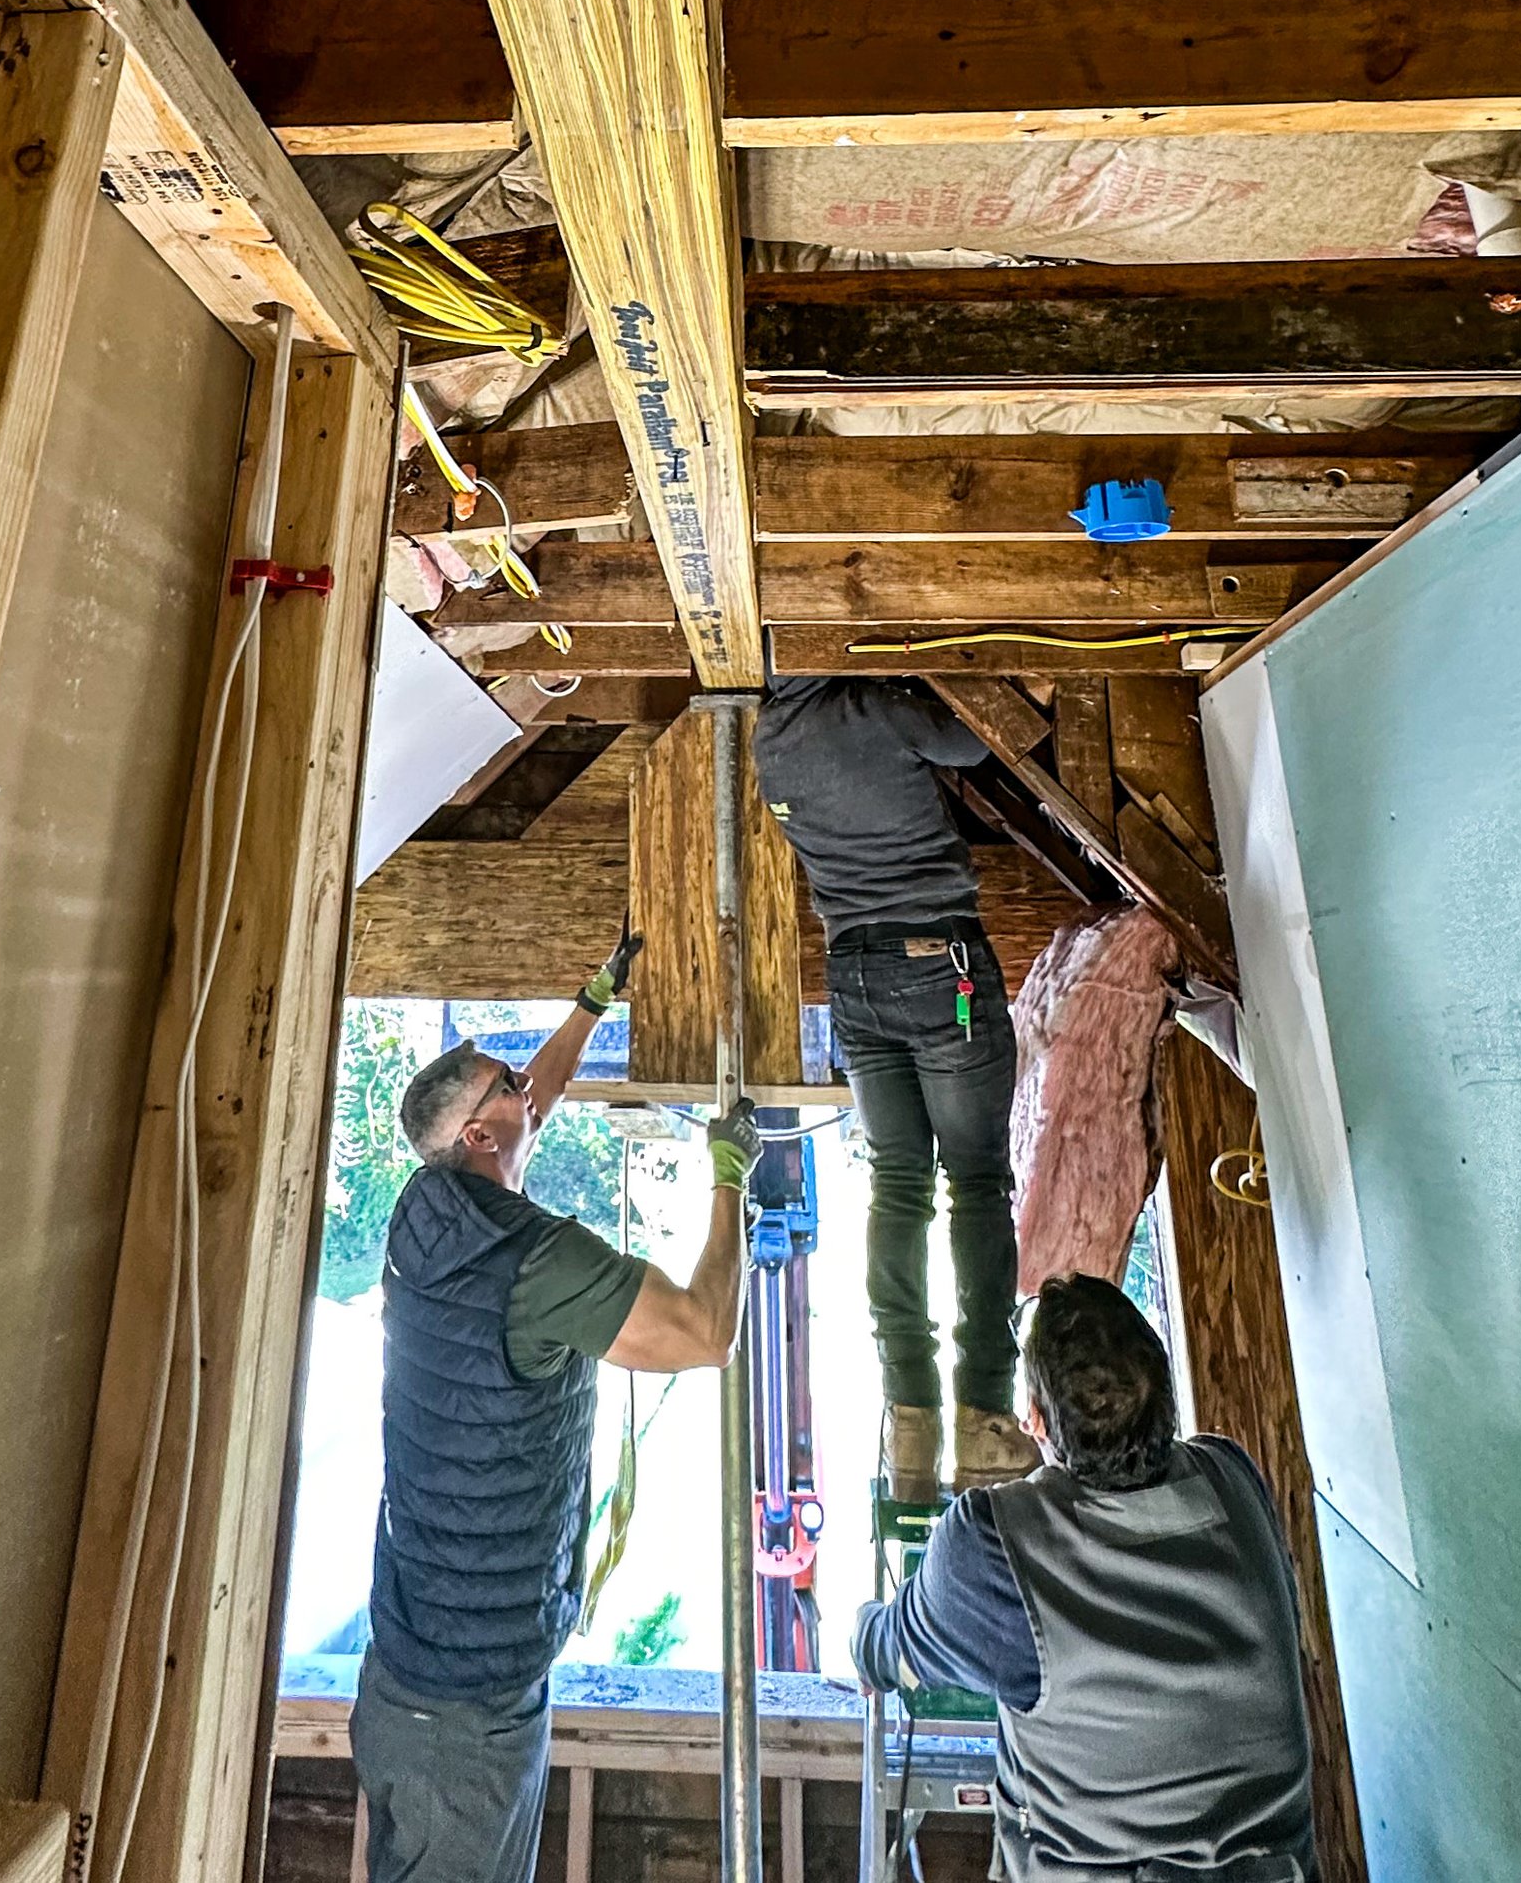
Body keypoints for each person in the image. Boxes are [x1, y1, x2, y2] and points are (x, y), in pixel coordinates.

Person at [354, 925, 761, 1883]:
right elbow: (707, 1333)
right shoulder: (536, 1263)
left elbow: (530, 1100)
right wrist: (730, 1181)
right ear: (482, 1137)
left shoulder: (424, 1210)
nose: (528, 1089)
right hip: (470, 1719)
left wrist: (595, 996)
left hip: (407, 1677)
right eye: (507, 1086)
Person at [854, 1274, 1317, 1883]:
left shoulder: (995, 1546)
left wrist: (865, 1635)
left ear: (1037, 1423)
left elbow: (889, 1649)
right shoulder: (1233, 1479)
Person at [752, 673, 1028, 1496]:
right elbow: (975, 739)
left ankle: (913, 1420)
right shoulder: (871, 705)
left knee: (898, 1186)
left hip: (855, 979)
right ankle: (983, 1418)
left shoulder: (769, 738)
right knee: (975, 1181)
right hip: (934, 961)